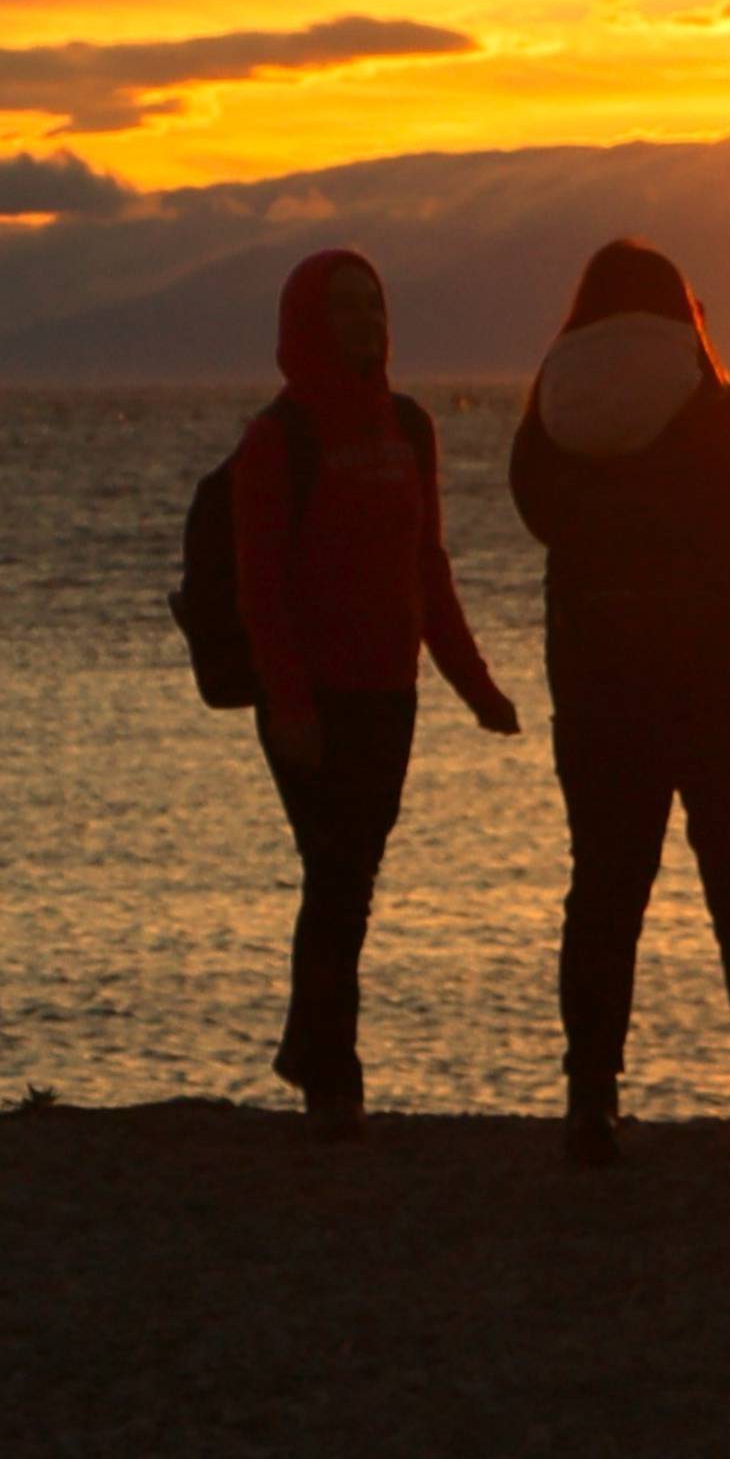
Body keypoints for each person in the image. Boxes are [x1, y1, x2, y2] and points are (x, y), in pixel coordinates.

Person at [509, 240, 730, 1165]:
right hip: (728, 685)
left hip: (601, 688)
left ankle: (590, 1103)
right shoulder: (718, 411)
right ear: (682, 315)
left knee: (605, 893)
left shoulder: (551, 417)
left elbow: (536, 513)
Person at [233, 250, 519, 1139]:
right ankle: (333, 1080)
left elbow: (427, 566)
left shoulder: (410, 426)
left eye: (375, 305)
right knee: (338, 877)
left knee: (348, 880)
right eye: (346, 307)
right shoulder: (275, 440)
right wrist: (289, 706)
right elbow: (261, 589)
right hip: (311, 698)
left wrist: (476, 687)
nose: (366, 321)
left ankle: (311, 1055)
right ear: (308, 323)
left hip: (391, 696)